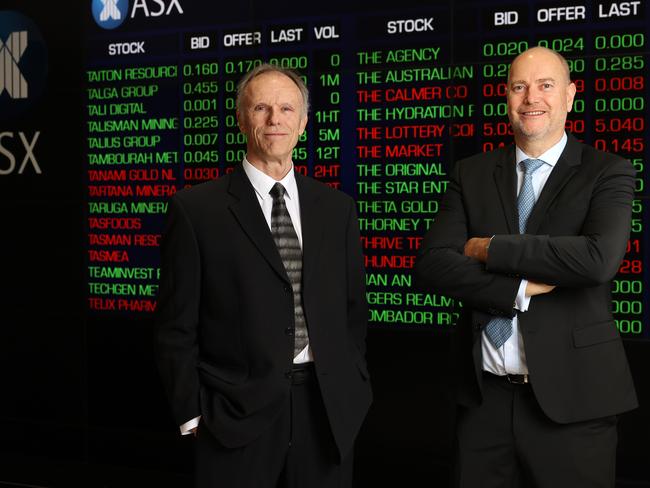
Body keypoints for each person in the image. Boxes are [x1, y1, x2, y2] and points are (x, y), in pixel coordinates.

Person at [415, 46, 637, 487]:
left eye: (545, 86)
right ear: (507, 97)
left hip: (574, 406)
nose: (531, 97)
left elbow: (597, 260)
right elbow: (433, 265)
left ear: (570, 96)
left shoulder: (607, 171)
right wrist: (514, 289)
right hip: (483, 406)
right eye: (519, 87)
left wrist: (490, 248)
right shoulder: (471, 173)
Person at [155, 64, 372, 488]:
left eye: (287, 108)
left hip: (326, 412)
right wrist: (192, 413)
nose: (275, 119)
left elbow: (352, 313)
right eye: (262, 108)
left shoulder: (336, 208)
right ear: (242, 118)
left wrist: (354, 386)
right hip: (234, 418)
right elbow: (175, 326)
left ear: (304, 122)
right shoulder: (196, 210)